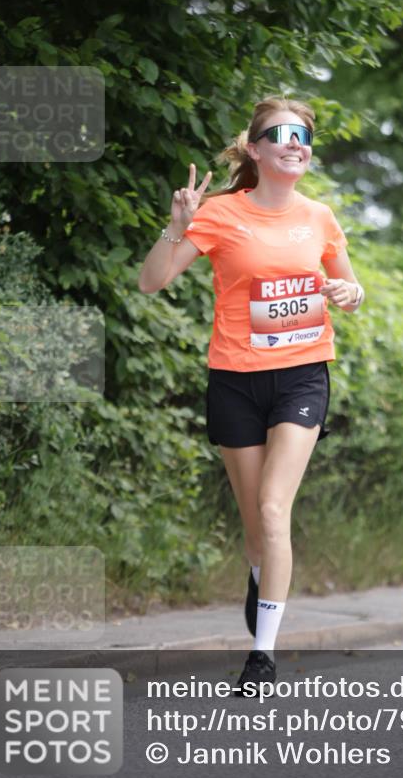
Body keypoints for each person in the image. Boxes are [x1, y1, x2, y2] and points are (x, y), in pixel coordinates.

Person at [138, 96, 364, 696]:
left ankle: (261, 656)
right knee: (254, 526)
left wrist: (350, 294)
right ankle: (261, 576)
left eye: (303, 136)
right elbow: (152, 281)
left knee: (272, 508)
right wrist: (178, 225)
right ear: (256, 150)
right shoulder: (220, 214)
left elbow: (349, 283)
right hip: (235, 380)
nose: (296, 143)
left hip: (302, 374)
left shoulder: (319, 217)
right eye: (282, 135)